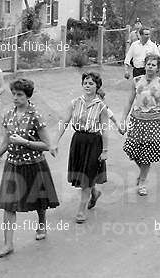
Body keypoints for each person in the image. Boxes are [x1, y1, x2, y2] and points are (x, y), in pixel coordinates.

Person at [0, 79, 59, 257]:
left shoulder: (35, 116)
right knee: (8, 205)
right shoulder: (9, 115)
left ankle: (42, 223)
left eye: (20, 95)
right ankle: (8, 244)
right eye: (14, 94)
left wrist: (25, 142)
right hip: (13, 165)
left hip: (34, 165)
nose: (16, 98)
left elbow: (47, 145)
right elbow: (3, 144)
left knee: (40, 200)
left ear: (28, 96)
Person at [54, 72, 109, 224]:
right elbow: (64, 121)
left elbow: (104, 129)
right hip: (78, 141)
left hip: (94, 142)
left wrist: (105, 151)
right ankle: (95, 192)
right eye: (85, 82)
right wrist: (55, 141)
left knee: (88, 176)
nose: (88, 86)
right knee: (83, 175)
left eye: (91, 83)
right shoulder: (75, 102)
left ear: (97, 86)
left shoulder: (101, 106)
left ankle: (81, 210)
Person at [120, 54, 160, 196]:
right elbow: (129, 101)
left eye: (153, 65)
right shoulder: (136, 81)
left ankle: (142, 182)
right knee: (131, 149)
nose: (150, 67)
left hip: (154, 122)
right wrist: (123, 118)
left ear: (158, 68)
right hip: (137, 120)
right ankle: (142, 172)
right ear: (145, 65)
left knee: (146, 154)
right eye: (148, 64)